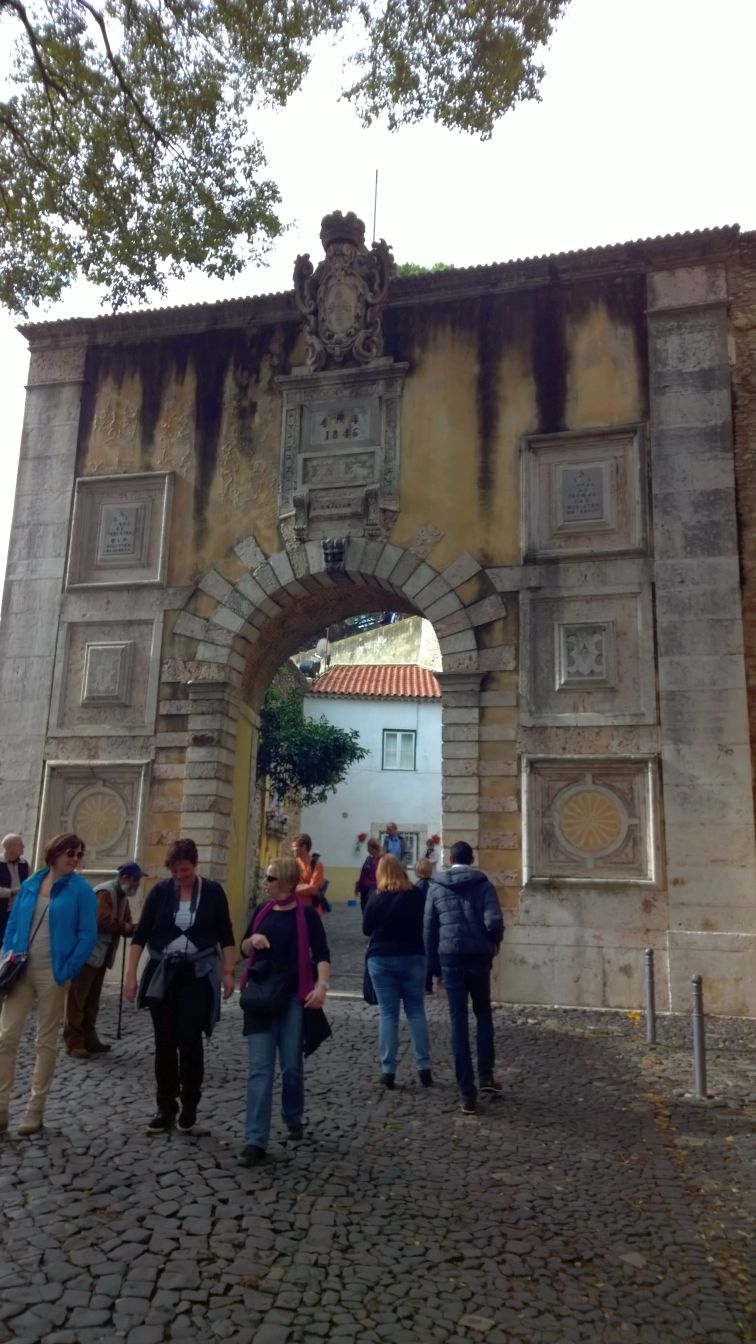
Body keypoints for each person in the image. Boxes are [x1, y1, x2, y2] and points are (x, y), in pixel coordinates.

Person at [125, 838, 235, 1135]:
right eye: (174, 871)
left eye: (184, 870)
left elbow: (225, 934)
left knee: (189, 1037)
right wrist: (131, 975)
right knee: (164, 1041)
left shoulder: (212, 892)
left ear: (195, 865)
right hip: (163, 973)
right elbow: (141, 935)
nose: (179, 876)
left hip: (197, 974)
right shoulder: (160, 892)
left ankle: (190, 1102)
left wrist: (228, 972)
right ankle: (165, 1106)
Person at [0, 833, 96, 1136]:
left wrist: (68, 968)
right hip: (20, 971)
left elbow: (88, 934)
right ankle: (1, 1108)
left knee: (44, 1042)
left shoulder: (81, 890)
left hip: (53, 974)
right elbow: (13, 923)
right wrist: (6, 953)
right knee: (5, 1038)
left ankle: (34, 1109)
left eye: (79, 854)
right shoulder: (31, 883)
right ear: (54, 853)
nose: (74, 859)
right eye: (70, 853)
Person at [240, 855, 330, 1166]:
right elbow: (244, 948)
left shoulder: (307, 916)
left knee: (291, 1066)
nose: (265, 883)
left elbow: (321, 954)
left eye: (271, 878)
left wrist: (321, 986)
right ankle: (254, 1140)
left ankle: (293, 1116)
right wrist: (252, 940)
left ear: (288, 882)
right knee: (260, 1071)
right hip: (261, 998)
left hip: (292, 998)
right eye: (265, 877)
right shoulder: (261, 912)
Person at [424, 840, 504, 1114]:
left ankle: (466, 1092)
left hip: (450, 957)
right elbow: (494, 921)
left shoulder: (436, 887)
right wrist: (493, 944)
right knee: (483, 1013)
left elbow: (429, 930)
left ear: (449, 859)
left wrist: (434, 969)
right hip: (479, 956)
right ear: (472, 859)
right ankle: (486, 1075)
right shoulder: (483, 885)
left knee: (458, 1021)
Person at [363, 854, 432, 1090]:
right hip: (413, 957)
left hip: (381, 959)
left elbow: (366, 928)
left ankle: (388, 1070)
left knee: (388, 1014)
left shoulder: (376, 898)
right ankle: (424, 1067)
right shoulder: (416, 895)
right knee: (416, 1011)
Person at [63, 861, 142, 1058]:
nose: (138, 884)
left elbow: (125, 922)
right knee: (77, 1000)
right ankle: (74, 1041)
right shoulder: (105, 892)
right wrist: (125, 927)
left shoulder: (122, 897)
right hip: (87, 952)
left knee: (92, 1000)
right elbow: (101, 921)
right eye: (136, 880)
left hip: (101, 955)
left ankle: (89, 1038)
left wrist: (133, 928)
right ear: (125, 878)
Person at [413, 857, 440, 994]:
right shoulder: (435, 885)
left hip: (421, 923)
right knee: (431, 953)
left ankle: (424, 984)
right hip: (434, 923)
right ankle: (430, 983)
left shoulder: (417, 887)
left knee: (422, 955)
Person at [0, 832, 29, 946]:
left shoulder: (24, 864)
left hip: (18, 909)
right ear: (11, 847)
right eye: (20, 844)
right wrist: (12, 892)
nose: (23, 847)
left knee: (14, 941)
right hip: (2, 909)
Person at [292, 833, 326, 914]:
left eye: (294, 846)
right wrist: (305, 887)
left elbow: (314, 889)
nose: (292, 849)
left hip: (312, 910)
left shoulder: (317, 865)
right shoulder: (295, 863)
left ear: (303, 847)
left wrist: (292, 888)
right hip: (296, 907)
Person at [355, 837, 381, 912]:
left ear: (373, 848)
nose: (367, 850)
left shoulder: (383, 860)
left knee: (372, 911)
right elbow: (363, 874)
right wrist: (358, 886)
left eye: (368, 848)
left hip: (375, 890)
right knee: (364, 910)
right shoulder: (368, 859)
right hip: (365, 889)